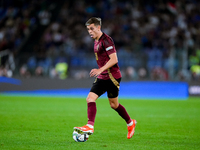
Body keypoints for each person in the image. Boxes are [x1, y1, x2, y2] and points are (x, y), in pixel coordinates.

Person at [74, 17, 137, 139]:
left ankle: (130, 123)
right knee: (90, 98)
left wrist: (99, 70)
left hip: (112, 76)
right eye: (88, 29)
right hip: (103, 76)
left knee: (114, 105)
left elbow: (114, 59)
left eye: (92, 29)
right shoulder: (96, 40)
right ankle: (90, 126)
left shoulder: (106, 40)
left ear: (98, 27)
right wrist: (101, 71)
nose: (90, 31)